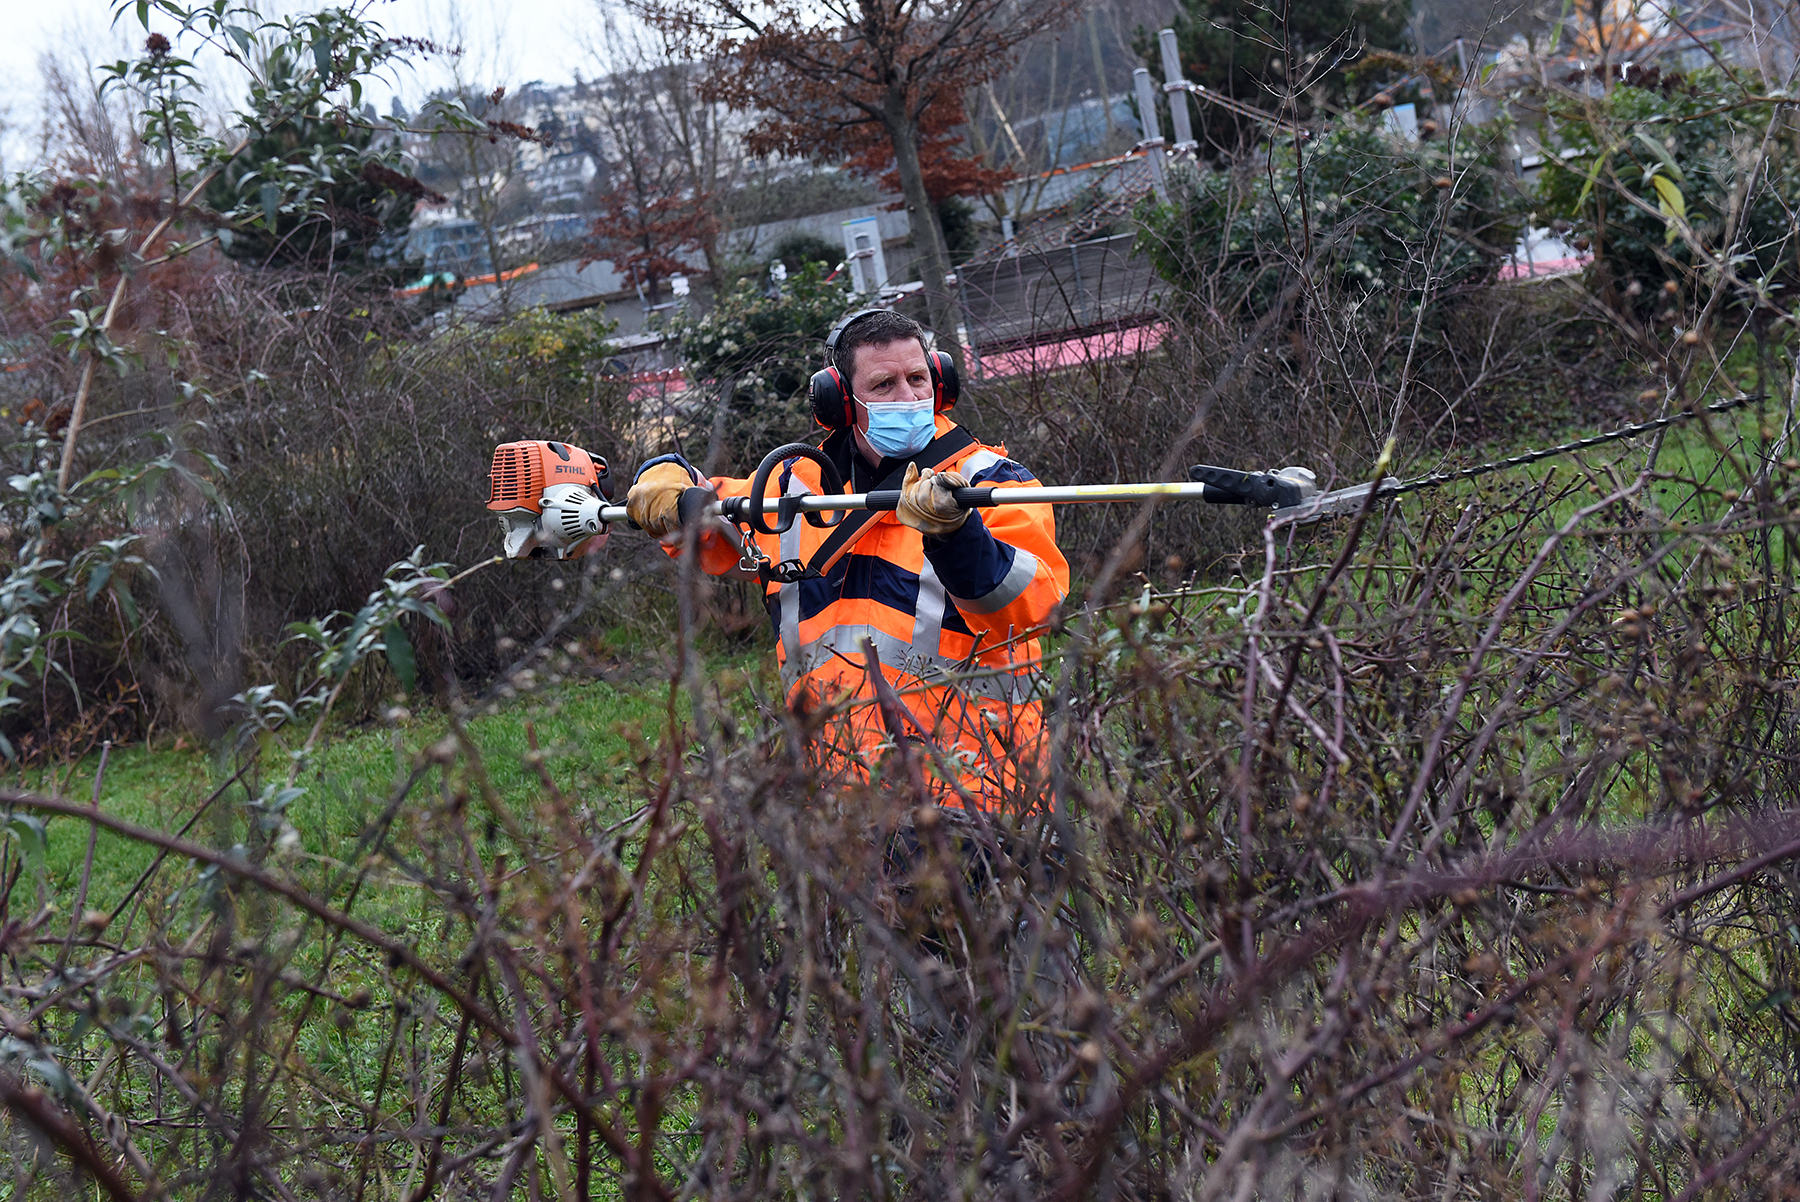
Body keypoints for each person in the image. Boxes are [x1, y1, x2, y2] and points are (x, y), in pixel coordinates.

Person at [625, 309, 1070, 810]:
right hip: (845, 802)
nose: (909, 398)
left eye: (918, 378)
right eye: (884, 385)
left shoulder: (993, 483)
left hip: (983, 791)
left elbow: (1030, 610)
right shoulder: (794, 487)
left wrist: (957, 534)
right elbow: (710, 513)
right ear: (839, 401)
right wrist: (665, 473)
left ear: (939, 379)